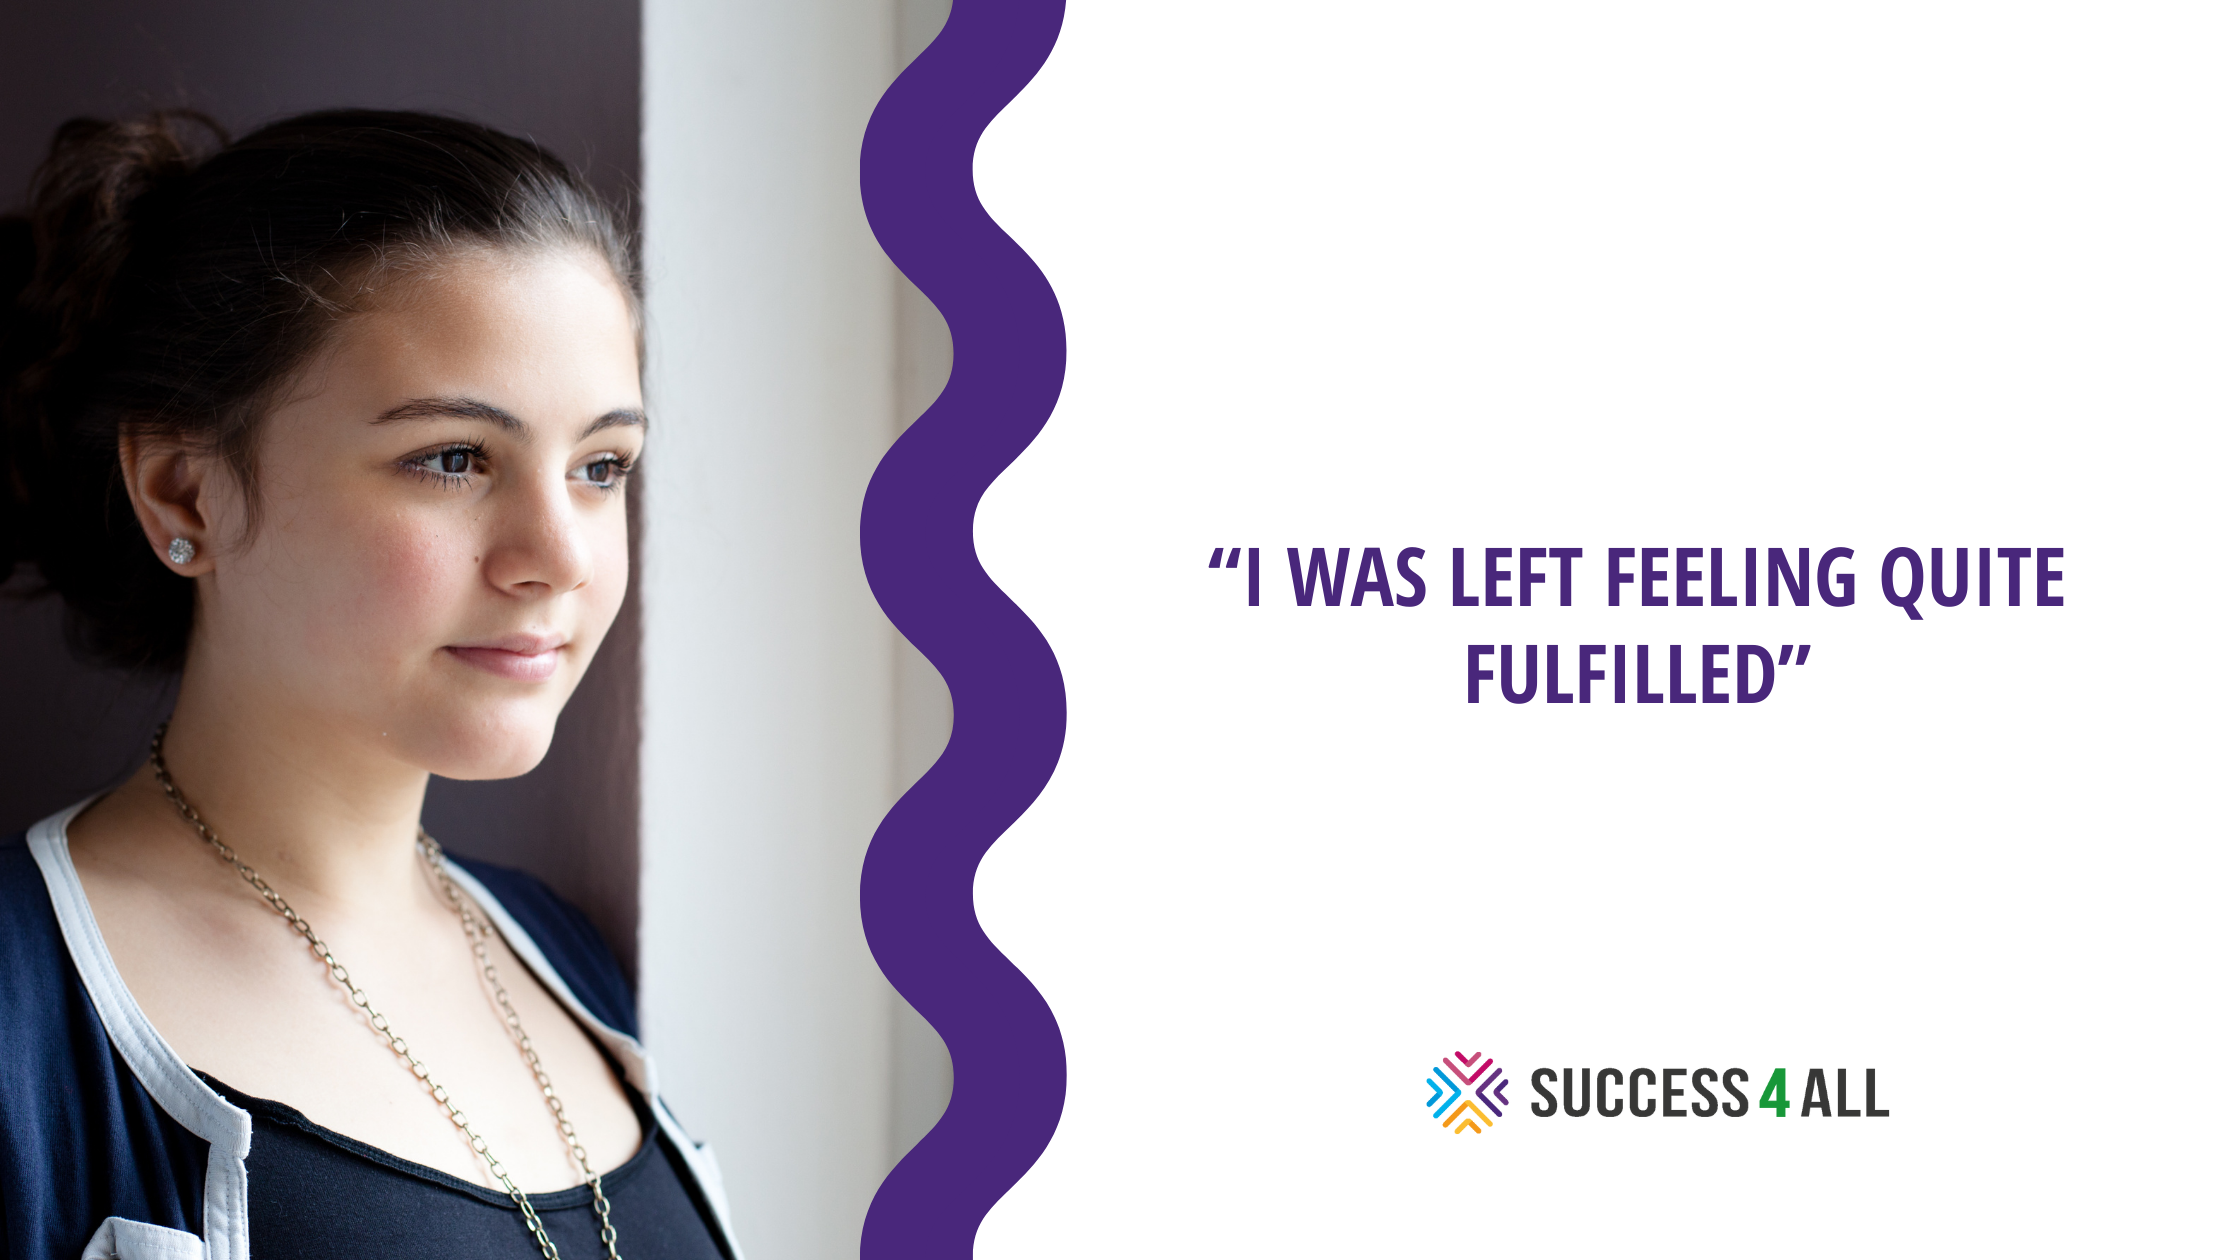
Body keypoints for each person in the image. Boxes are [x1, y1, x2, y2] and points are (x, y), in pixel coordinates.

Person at [0, 110, 734, 1259]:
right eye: (453, 458)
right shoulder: (21, 1011)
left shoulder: (564, 955)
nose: (557, 553)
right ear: (184, 492)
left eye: (601, 467)